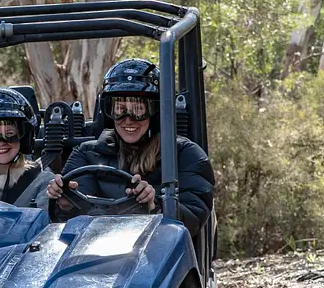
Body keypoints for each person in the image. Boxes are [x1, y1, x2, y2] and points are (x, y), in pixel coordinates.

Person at [46, 59, 214, 235]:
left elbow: (195, 219)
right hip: (95, 251)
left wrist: (156, 206)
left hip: (157, 251)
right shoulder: (86, 153)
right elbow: (69, 226)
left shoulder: (184, 155)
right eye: (119, 109)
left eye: (139, 109)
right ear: (109, 112)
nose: (128, 119)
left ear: (156, 111)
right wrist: (65, 204)